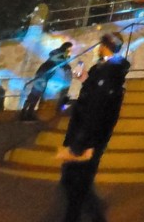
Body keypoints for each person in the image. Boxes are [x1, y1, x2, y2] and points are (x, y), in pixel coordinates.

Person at [54, 32, 129, 222]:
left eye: (101, 44)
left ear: (107, 46)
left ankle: (87, 217)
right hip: (86, 133)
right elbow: (96, 95)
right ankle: (93, 214)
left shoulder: (110, 73)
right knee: (76, 182)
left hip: (88, 136)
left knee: (75, 183)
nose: (98, 47)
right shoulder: (105, 70)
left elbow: (98, 107)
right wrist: (86, 79)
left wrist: (81, 140)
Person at [21, 42, 73, 121]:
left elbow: (61, 61)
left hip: (45, 72)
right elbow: (60, 62)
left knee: (36, 93)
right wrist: (67, 65)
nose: (71, 51)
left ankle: (27, 113)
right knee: (36, 93)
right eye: (70, 48)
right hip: (45, 72)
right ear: (67, 47)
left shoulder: (59, 53)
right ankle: (26, 113)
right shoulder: (60, 53)